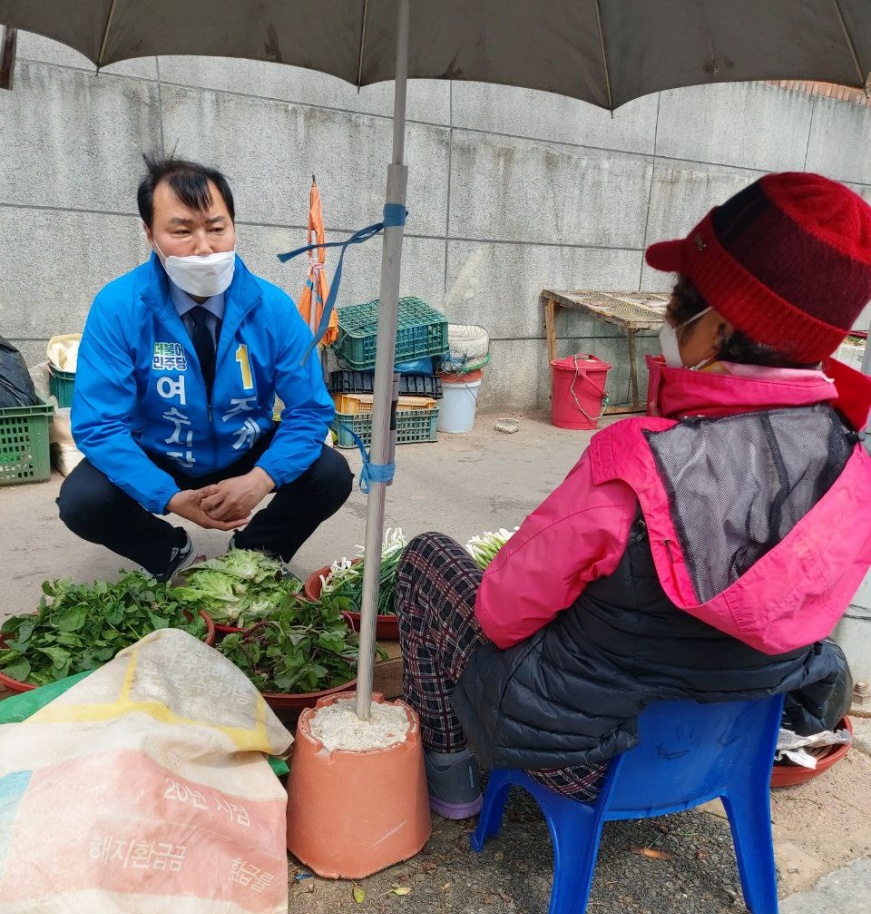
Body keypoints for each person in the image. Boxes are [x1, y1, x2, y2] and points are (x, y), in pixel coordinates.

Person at [396, 171, 871, 820]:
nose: (666, 320)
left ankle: (453, 792)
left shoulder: (636, 462)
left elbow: (500, 614)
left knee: (426, 560)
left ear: (721, 326)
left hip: (580, 757)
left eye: (678, 303)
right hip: (725, 748)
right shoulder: (851, 464)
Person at [58, 157, 353, 580]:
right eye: (181, 231)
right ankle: (169, 552)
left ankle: (256, 550)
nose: (204, 247)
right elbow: (99, 425)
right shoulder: (119, 307)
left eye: (217, 228)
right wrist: (168, 496)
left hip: (242, 443)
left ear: (234, 227)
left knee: (329, 473)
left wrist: (261, 479)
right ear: (150, 234)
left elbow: (310, 410)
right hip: (163, 449)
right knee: (83, 500)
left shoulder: (271, 307)